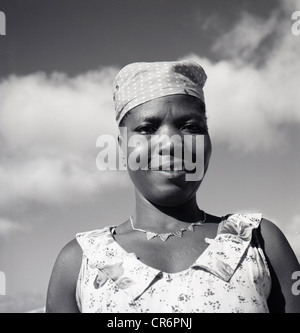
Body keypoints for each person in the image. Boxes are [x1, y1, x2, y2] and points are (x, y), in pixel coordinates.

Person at [46, 60, 300, 313]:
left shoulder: (258, 242)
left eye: (191, 127)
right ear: (122, 147)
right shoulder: (81, 262)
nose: (170, 143)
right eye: (147, 129)